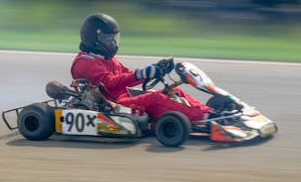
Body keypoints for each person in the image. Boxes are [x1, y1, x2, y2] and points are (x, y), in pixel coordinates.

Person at [70, 13, 213, 122]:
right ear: (94, 38)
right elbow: (108, 83)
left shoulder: (107, 59)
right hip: (111, 105)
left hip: (126, 98)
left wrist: (152, 71)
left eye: (114, 38)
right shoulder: (84, 62)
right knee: (155, 97)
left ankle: (211, 112)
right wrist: (141, 74)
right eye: (109, 39)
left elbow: (128, 76)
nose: (113, 43)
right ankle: (204, 118)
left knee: (173, 90)